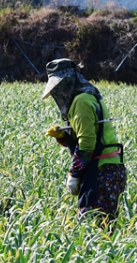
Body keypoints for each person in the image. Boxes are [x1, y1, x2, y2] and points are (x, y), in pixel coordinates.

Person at [42, 59, 126, 220]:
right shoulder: (87, 96)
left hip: (102, 171)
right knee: (101, 227)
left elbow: (87, 143)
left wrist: (73, 174)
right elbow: (88, 134)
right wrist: (64, 137)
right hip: (108, 168)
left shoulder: (81, 101)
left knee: (93, 226)